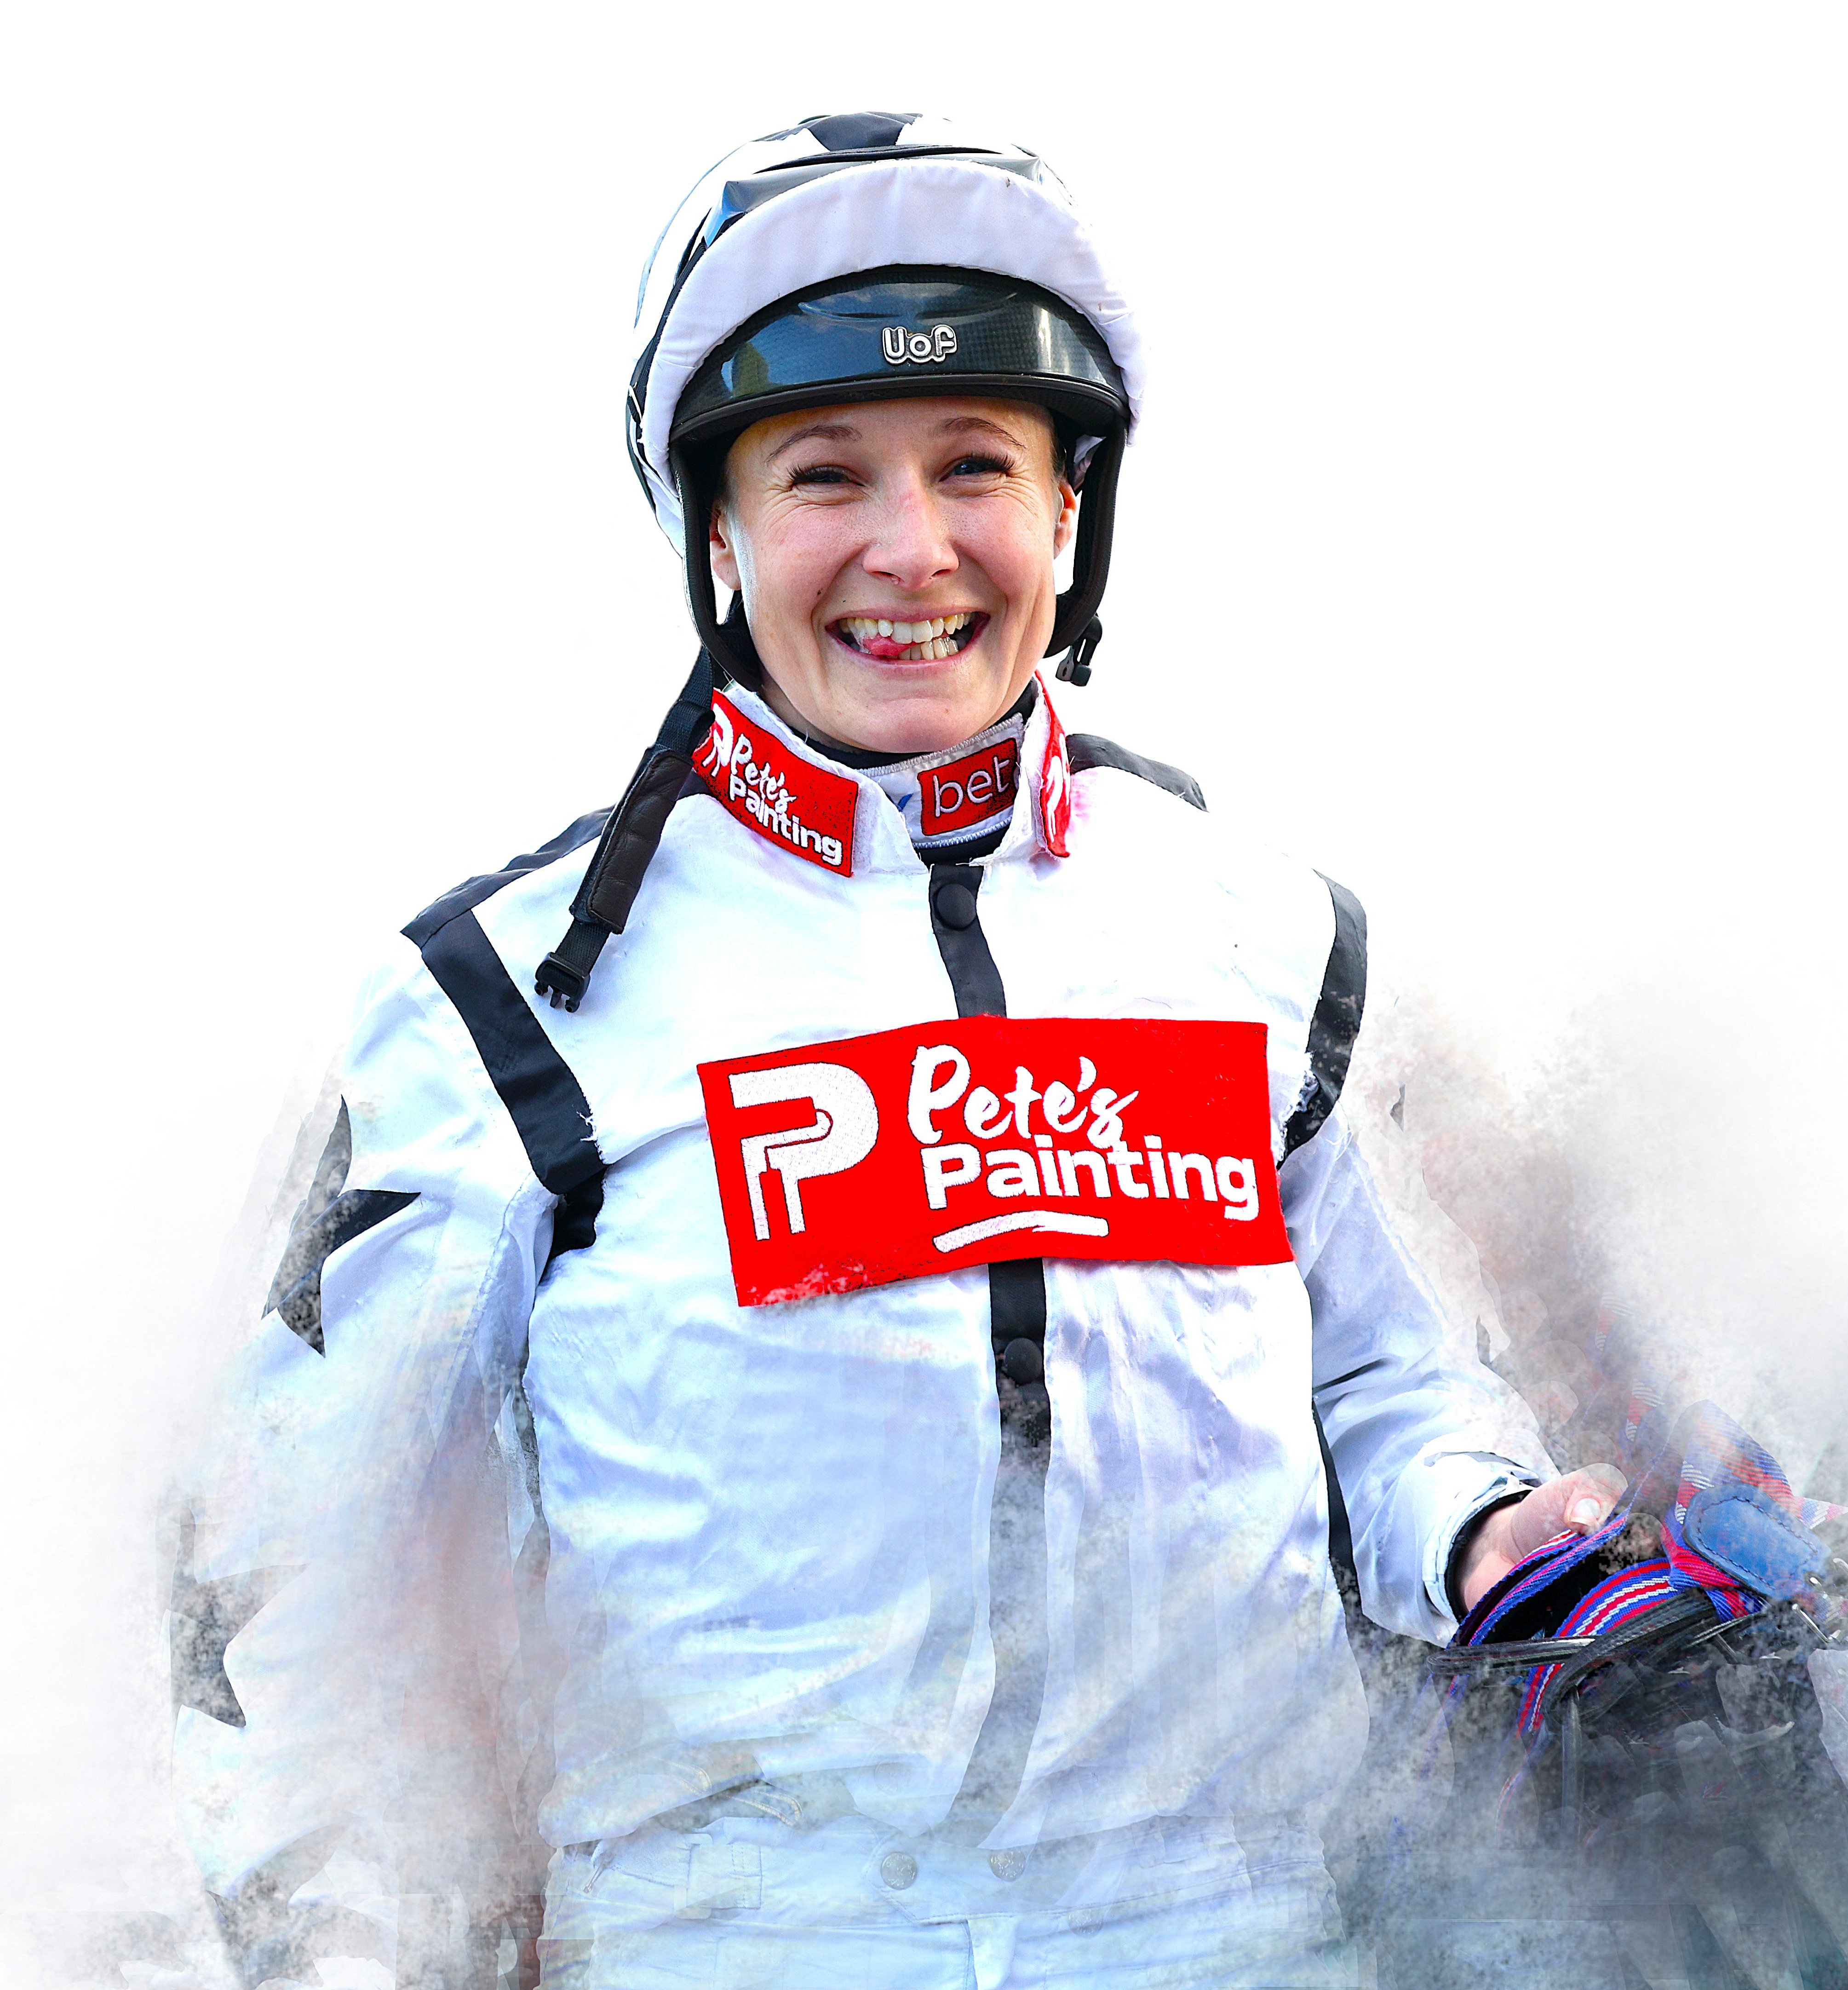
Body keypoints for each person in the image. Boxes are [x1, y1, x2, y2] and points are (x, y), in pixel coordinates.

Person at [171, 112, 1621, 1990]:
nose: (911, 548)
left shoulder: (1273, 941)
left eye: (974, 465)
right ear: (717, 529)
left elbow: (1388, 1383)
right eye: (824, 474)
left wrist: (1490, 1529)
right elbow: (298, 1582)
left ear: (1070, 511)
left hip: (1241, 1942)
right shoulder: (493, 997)